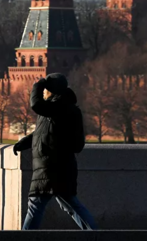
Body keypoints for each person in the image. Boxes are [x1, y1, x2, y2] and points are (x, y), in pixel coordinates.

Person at [13, 73, 97, 230]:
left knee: (36, 204)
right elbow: (43, 132)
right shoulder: (54, 108)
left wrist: (37, 84)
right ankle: (94, 234)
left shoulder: (60, 107)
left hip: (52, 166)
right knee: (70, 205)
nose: (43, 92)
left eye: (45, 89)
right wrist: (24, 143)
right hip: (54, 166)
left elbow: (35, 105)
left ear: (51, 90)